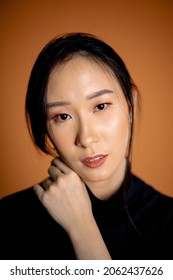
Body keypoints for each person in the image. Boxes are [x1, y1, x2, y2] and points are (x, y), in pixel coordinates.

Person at [0, 33, 173, 260]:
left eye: (101, 106)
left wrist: (82, 228)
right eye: (62, 116)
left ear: (131, 104)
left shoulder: (167, 222)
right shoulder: (10, 220)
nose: (86, 138)